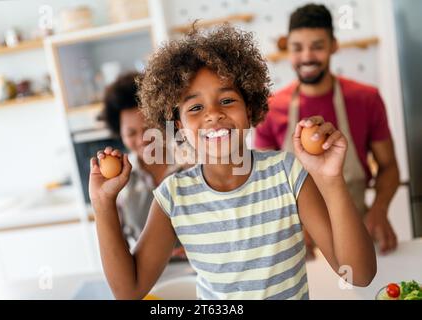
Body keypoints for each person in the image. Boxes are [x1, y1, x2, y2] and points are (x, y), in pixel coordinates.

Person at [89, 26, 376, 300]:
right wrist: (103, 205)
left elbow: (358, 274)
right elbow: (128, 291)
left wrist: (331, 180)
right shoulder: (173, 197)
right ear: (178, 125)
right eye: (196, 107)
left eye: (227, 100)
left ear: (249, 108)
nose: (213, 114)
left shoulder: (287, 174)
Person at [255, 4, 400, 256]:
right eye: (297, 48)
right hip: (298, 242)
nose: (307, 56)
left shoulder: (366, 99)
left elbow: (388, 166)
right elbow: (264, 184)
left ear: (334, 45)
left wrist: (379, 209)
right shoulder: (270, 109)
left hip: (358, 231)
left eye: (318, 46)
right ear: (287, 49)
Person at [102, 72, 185, 258]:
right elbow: (115, 247)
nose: (142, 140)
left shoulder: (191, 164)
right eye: (131, 133)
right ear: (120, 133)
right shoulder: (118, 182)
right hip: (151, 279)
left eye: (148, 129)